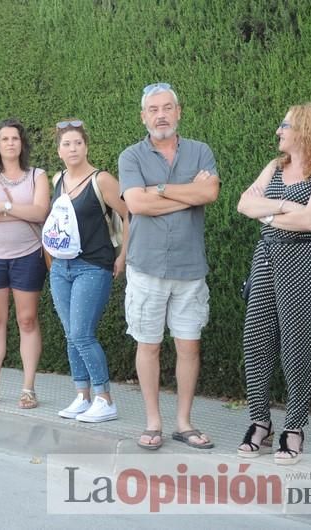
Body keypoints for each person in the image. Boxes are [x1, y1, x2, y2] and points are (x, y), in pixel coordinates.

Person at [236, 103, 311, 465]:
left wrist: (267, 211)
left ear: (307, 131)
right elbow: (243, 204)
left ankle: (294, 428)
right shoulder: (275, 167)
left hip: (301, 262)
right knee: (255, 340)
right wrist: (283, 208)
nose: (279, 131)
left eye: (285, 126)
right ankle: (259, 421)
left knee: (296, 345)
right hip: (266, 257)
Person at [118, 83, 220, 450]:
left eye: (167, 108)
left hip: (191, 268)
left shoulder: (200, 151)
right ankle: (153, 422)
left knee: (189, 347)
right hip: (146, 267)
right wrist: (182, 192)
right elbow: (137, 204)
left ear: (179, 111)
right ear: (143, 116)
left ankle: (184, 422)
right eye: (153, 109)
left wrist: (157, 190)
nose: (160, 115)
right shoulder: (131, 156)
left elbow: (209, 194)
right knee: (149, 346)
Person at [47, 120, 130, 422]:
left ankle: (105, 399)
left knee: (82, 333)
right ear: (59, 150)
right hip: (61, 267)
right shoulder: (57, 179)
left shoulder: (102, 180)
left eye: (78, 143)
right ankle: (82, 396)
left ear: (86, 146)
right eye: (67, 144)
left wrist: (123, 255)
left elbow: (127, 212)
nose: (73, 149)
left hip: (93, 266)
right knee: (71, 335)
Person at [0, 118, 50, 408]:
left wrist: (4, 206)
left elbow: (40, 212)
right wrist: (21, 211)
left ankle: (28, 388)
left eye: (15, 138)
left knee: (27, 320)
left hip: (28, 255)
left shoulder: (37, 176)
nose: (10, 143)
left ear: (22, 143)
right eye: (5, 139)